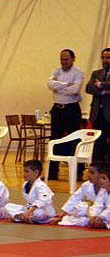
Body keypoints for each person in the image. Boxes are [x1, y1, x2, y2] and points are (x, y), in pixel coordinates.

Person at [47, 49, 84, 180]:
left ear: (73, 59)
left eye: (66, 59)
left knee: (75, 140)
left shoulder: (78, 72)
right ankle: (52, 172)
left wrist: (59, 86)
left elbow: (75, 89)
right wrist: (66, 85)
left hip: (71, 109)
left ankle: (78, 172)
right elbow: (50, 84)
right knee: (55, 140)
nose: (64, 62)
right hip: (57, 109)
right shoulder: (56, 71)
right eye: (62, 59)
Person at [50, 162, 105, 226]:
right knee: (81, 209)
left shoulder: (106, 188)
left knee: (85, 213)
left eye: (92, 173)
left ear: (101, 175)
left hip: (103, 214)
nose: (89, 175)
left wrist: (98, 216)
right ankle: (63, 219)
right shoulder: (86, 185)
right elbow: (75, 198)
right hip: (90, 214)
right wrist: (63, 214)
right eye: (88, 172)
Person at [86, 48, 110, 164]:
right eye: (103, 58)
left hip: (109, 114)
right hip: (97, 114)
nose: (105, 60)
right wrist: (104, 91)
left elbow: (96, 86)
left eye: (108, 58)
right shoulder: (96, 73)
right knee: (97, 142)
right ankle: (97, 167)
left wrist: (100, 84)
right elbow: (89, 88)